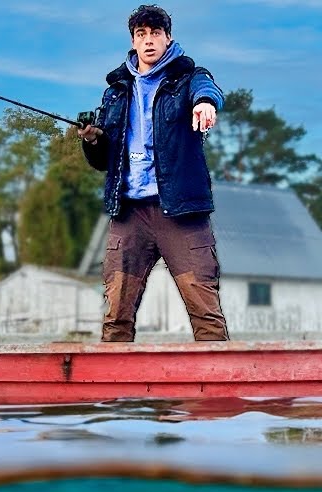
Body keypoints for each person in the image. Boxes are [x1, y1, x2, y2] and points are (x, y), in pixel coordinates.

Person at [78, 4, 229, 342]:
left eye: (155, 33)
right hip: (129, 213)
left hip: (180, 211)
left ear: (168, 37)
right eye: (141, 34)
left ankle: (219, 392)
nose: (148, 40)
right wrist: (92, 140)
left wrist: (205, 104)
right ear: (133, 40)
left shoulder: (190, 77)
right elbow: (103, 159)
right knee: (115, 316)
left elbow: (209, 91)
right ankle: (113, 393)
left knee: (206, 313)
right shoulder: (115, 91)